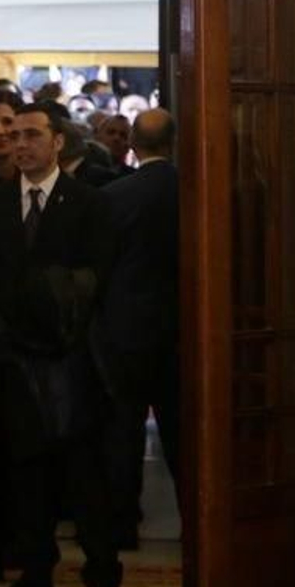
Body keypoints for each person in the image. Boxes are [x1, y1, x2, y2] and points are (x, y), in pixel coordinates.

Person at [0, 100, 120, 587]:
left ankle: (104, 584)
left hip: (72, 360)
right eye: (15, 135)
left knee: (85, 480)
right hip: (16, 361)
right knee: (25, 478)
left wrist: (68, 334)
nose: (21, 143)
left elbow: (98, 281)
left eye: (33, 134)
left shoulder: (87, 202)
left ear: (58, 142)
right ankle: (35, 580)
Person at [93, 109, 181, 549]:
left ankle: (123, 524)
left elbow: (102, 267)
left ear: (133, 145)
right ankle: (197, 523)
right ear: (173, 143)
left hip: (125, 330)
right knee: (181, 436)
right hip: (182, 331)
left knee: (123, 433)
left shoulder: (115, 195)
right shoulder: (192, 190)